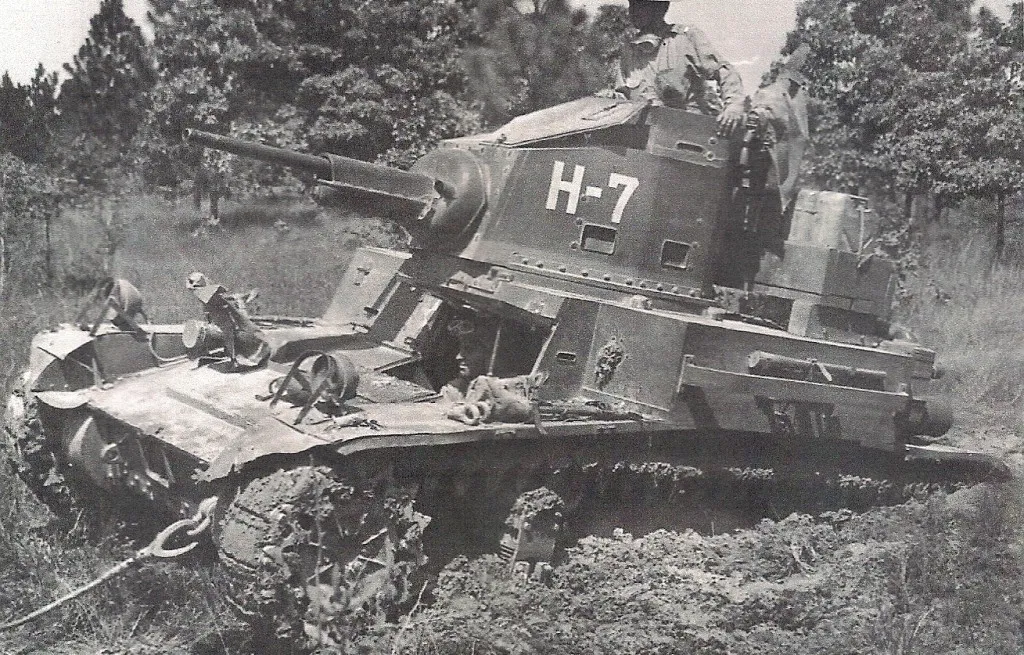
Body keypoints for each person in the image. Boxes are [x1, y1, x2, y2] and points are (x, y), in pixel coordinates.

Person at [606, 0, 746, 136]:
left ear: (660, 8)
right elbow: (623, 96)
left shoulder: (685, 39)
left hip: (689, 134)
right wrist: (609, 98)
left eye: (640, 4)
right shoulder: (629, 51)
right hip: (645, 135)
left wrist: (734, 105)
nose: (633, 11)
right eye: (632, 4)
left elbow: (725, 71)